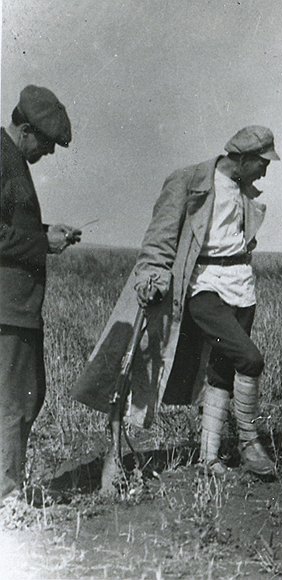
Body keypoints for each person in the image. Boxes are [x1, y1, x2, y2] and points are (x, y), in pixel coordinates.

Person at [76, 126, 280, 477]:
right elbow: (160, 236)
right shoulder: (188, 181)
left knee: (222, 367)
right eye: (262, 163)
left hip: (242, 286)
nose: (265, 171)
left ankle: (209, 458)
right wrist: (151, 275)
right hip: (202, 285)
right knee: (250, 359)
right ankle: (249, 444)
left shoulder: (245, 190)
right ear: (243, 159)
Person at [0, 85, 81, 502]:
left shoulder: (13, 159)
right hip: (6, 307)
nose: (48, 154)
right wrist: (41, 243)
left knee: (30, 397)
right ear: (27, 130)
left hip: (22, 307)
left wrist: (48, 233)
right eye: (47, 145)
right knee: (13, 404)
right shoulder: (0, 157)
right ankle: (7, 499)